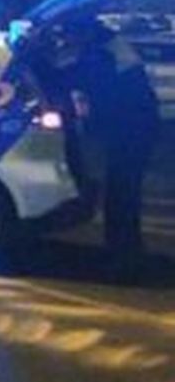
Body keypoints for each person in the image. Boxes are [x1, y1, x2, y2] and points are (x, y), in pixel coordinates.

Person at [57, 19, 160, 279]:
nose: (69, 41)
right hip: (136, 127)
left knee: (121, 195)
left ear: (84, 32)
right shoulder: (110, 46)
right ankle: (126, 254)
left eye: (70, 34)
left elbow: (79, 77)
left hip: (131, 130)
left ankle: (124, 259)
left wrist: (45, 66)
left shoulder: (102, 52)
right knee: (123, 194)